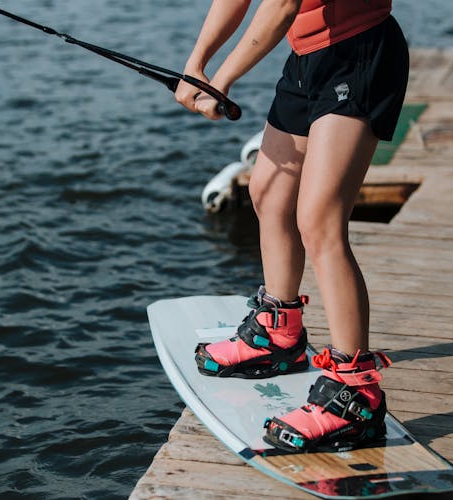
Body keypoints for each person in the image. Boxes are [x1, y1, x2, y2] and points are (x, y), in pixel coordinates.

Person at [175, 0, 409, 452]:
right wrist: (196, 64)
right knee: (269, 192)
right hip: (307, 59)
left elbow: (281, 5)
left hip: (357, 52)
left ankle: (356, 395)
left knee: (320, 220)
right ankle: (277, 333)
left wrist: (221, 79)